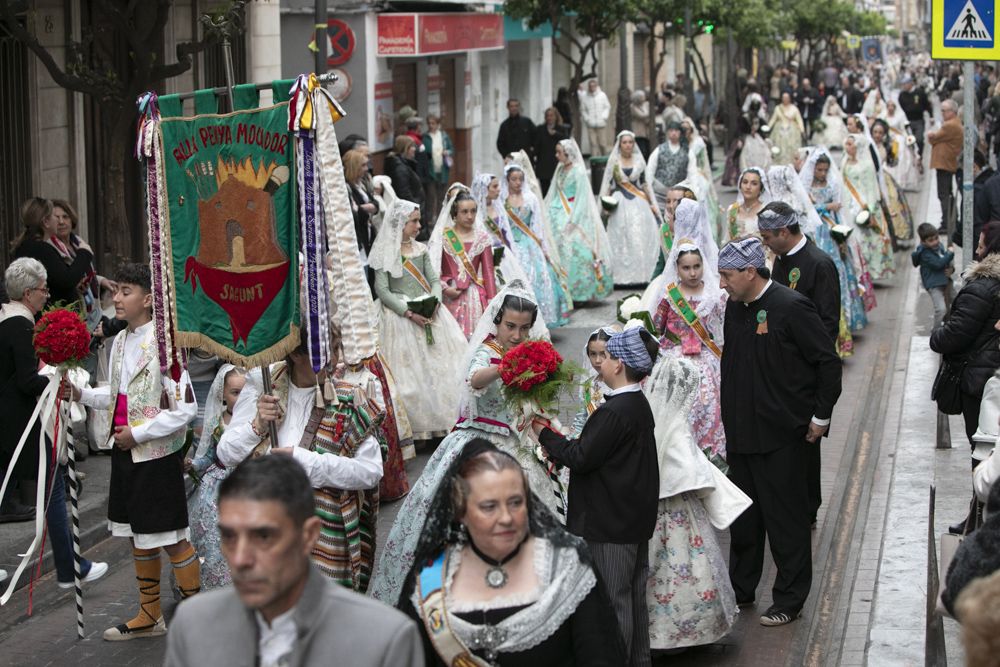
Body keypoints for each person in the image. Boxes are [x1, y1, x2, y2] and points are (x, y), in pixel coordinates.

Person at [370, 284, 557, 604]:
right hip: (477, 441)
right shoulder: (487, 351)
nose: (516, 334)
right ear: (496, 322)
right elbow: (475, 378)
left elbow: (533, 405)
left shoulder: (530, 351)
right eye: (510, 326)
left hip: (515, 443)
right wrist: (505, 368)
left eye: (524, 328)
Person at [165, 455, 423, 667]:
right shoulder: (193, 624)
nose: (241, 558)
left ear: (309, 535)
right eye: (229, 536)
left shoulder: (384, 639)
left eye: (264, 536)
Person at [397, 439, 624, 666]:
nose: (506, 518)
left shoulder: (565, 567)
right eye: (489, 506)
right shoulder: (431, 580)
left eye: (516, 502)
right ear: (461, 511)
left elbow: (600, 655)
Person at [70, 263, 199, 641]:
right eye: (116, 291)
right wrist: (82, 394)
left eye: (125, 291)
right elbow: (115, 396)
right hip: (125, 454)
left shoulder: (166, 344)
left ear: (147, 299)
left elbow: (186, 409)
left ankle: (197, 618)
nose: (116, 298)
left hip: (155, 455)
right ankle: (150, 614)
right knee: (135, 534)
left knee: (171, 536)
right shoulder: (121, 340)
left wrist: (139, 433)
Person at [718, 237, 842, 627]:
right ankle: (741, 591)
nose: (721, 284)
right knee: (745, 521)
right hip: (741, 435)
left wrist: (820, 417)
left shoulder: (792, 307)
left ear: (751, 272)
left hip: (782, 437)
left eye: (727, 276)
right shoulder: (734, 307)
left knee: (785, 522)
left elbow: (827, 363)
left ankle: (789, 599)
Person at [217, 322, 386, 590]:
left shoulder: (350, 399)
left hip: (325, 541)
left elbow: (371, 472)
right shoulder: (264, 387)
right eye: (321, 352)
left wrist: (304, 462)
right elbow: (226, 454)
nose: (332, 360)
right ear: (295, 354)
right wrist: (257, 426)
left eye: (335, 349)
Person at [532, 326, 660, 667]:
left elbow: (581, 457)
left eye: (607, 357)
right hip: (632, 518)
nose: (599, 362)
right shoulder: (635, 404)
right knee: (632, 597)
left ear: (619, 365)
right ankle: (638, 659)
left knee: (612, 601)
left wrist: (543, 434)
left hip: (610, 522)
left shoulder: (615, 411)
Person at [0, 258, 109, 586]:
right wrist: (59, 381)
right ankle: (69, 568)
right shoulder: (19, 326)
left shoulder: (7, 319)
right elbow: (26, 380)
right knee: (54, 489)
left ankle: (69, 566)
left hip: (13, 422)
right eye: (45, 289)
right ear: (29, 292)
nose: (48, 295)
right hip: (21, 423)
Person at [644, 354, 743, 650]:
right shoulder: (677, 427)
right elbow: (690, 471)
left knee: (658, 570)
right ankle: (690, 633)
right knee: (689, 567)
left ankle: (657, 632)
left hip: (655, 514)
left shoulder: (654, 419)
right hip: (680, 512)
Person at [757, 202, 842, 525]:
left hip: (803, 376)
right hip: (778, 375)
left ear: (783, 232)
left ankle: (807, 510)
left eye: (767, 236)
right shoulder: (779, 260)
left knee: (805, 450)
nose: (764, 242)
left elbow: (827, 325)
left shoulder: (819, 264)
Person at [368, 199, 467, 441]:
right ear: (400, 223)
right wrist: (409, 313)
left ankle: (443, 422)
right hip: (398, 316)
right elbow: (382, 290)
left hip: (427, 309)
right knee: (409, 375)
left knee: (440, 369)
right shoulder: (384, 252)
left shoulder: (420, 250)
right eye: (414, 221)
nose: (419, 225)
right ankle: (415, 428)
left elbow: (433, 280)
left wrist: (434, 302)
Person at [646, 199, 727, 470]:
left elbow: (720, 329)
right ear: (677, 268)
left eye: (696, 266)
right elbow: (656, 329)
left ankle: (711, 457)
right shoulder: (669, 294)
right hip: (674, 361)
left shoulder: (714, 294)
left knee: (709, 407)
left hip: (706, 361)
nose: (692, 272)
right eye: (686, 268)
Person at [930, 220, 1000, 531]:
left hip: (980, 385)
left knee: (982, 453)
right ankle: (978, 516)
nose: (976, 249)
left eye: (982, 244)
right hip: (989, 378)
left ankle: (981, 522)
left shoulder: (983, 287)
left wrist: (938, 334)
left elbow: (954, 335)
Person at [798, 148, 871, 345]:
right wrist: (825, 207)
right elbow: (805, 209)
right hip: (814, 232)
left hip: (830, 232)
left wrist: (842, 239)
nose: (822, 173)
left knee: (837, 271)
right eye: (819, 170)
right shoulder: (805, 186)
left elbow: (838, 211)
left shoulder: (832, 185)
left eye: (824, 170)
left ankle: (846, 319)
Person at [186, 364, 247, 589]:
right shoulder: (217, 423)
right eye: (234, 392)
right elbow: (209, 456)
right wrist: (192, 464)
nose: (240, 398)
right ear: (222, 394)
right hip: (216, 488)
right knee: (215, 539)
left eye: (244, 392)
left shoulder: (254, 423)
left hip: (246, 486)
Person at [502, 164, 572, 327]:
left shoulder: (530, 198)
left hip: (529, 243)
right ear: (507, 180)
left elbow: (537, 225)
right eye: (514, 179)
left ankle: (540, 320)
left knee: (539, 277)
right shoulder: (502, 199)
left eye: (520, 179)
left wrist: (543, 248)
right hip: (511, 244)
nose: (517, 182)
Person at [546, 138, 615, 301]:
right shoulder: (560, 170)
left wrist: (573, 219)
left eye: (559, 152)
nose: (556, 156)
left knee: (578, 249)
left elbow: (582, 197)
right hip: (557, 211)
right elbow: (555, 192)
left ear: (567, 153)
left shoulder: (578, 171)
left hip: (574, 213)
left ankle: (580, 291)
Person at [599, 130, 662, 286]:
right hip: (619, 201)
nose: (627, 145)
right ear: (620, 145)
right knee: (619, 235)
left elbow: (645, 184)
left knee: (639, 235)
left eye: (630, 142)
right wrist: (604, 204)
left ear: (633, 144)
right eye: (624, 142)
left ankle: (642, 275)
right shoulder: (614, 162)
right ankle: (619, 277)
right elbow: (608, 185)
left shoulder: (640, 161)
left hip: (639, 201)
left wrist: (652, 203)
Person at [11, 197, 95, 310]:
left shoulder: (26, 246)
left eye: (65, 217)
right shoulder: (41, 249)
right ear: (46, 222)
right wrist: (84, 253)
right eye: (55, 216)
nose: (59, 221)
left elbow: (56, 281)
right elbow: (66, 281)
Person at [433, 191, 498, 338]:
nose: (470, 216)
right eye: (464, 212)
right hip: (450, 294)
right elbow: (434, 268)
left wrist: (492, 301)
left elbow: (488, 272)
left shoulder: (482, 237)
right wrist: (444, 288)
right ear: (454, 214)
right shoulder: (444, 237)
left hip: (474, 295)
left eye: (473, 211)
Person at [51, 198, 116, 334]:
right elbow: (64, 278)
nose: (62, 222)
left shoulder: (79, 244)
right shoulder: (51, 249)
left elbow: (83, 273)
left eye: (65, 217)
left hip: (91, 310)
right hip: (71, 314)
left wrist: (101, 280)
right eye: (56, 218)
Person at [841, 134, 894, 281]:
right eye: (847, 144)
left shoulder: (867, 164)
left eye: (850, 144)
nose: (847, 147)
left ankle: (872, 272)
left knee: (868, 239)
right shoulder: (844, 161)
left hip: (864, 205)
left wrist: (868, 208)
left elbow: (871, 187)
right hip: (849, 204)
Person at [869, 119, 915, 246]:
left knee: (893, 203)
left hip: (884, 179)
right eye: (875, 132)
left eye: (880, 132)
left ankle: (894, 238)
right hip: (870, 180)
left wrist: (892, 152)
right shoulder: (868, 146)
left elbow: (892, 162)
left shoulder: (886, 146)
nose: (877, 135)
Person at [344, 149, 379, 289]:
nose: (366, 169)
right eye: (363, 165)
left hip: (369, 235)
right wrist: (366, 208)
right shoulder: (347, 187)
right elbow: (354, 213)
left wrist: (367, 207)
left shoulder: (362, 183)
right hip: (360, 238)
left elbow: (374, 203)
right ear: (355, 167)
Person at [927, 99, 964, 232]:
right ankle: (951, 219)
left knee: (943, 194)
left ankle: (947, 222)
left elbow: (933, 138)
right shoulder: (954, 123)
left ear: (952, 112)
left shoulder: (949, 125)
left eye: (944, 110)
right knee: (947, 193)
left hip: (944, 163)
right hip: (946, 162)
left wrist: (932, 136)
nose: (941, 113)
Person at [647, 121, 697, 215]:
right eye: (671, 130)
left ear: (680, 133)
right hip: (660, 194)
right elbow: (650, 171)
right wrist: (649, 194)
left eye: (676, 131)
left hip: (679, 195)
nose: (674, 133)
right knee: (660, 222)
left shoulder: (687, 152)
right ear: (668, 133)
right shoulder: (659, 150)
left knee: (677, 221)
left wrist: (693, 192)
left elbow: (692, 174)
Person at [912, 223, 955, 328]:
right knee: (941, 309)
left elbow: (945, 262)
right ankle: (936, 331)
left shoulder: (939, 246)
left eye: (936, 238)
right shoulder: (924, 253)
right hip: (934, 285)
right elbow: (938, 264)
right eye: (931, 240)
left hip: (945, 281)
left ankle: (949, 323)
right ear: (923, 242)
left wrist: (951, 269)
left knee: (956, 301)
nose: (935, 242)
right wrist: (950, 253)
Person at [384, 136, 426, 228]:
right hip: (410, 215)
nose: (414, 149)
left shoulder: (404, 164)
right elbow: (404, 193)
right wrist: (416, 208)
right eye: (412, 146)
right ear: (405, 148)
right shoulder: (400, 168)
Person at [423, 114, 454, 225]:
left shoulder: (444, 136)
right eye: (429, 123)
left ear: (438, 124)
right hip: (431, 171)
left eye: (433, 123)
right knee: (430, 196)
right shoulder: (425, 137)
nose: (431, 125)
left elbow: (451, 149)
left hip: (443, 170)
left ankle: (441, 220)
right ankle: (430, 220)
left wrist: (447, 152)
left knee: (442, 196)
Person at [532, 107, 568, 196]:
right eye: (547, 116)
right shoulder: (540, 129)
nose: (549, 118)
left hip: (556, 162)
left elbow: (566, 141)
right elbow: (536, 145)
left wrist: (556, 134)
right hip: (543, 163)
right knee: (545, 190)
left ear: (556, 117)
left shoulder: (561, 129)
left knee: (558, 188)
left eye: (551, 116)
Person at [727, 167, 770, 240]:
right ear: (740, 185)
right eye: (745, 182)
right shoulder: (732, 209)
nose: (748, 187)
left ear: (761, 188)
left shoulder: (766, 212)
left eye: (754, 183)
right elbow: (728, 238)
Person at [768, 91, 805, 165]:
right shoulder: (778, 108)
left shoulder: (794, 108)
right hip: (779, 130)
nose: (785, 99)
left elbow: (799, 119)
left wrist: (802, 130)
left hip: (792, 130)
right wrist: (768, 128)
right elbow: (773, 119)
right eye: (783, 98)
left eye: (786, 98)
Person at [898, 76, 931, 157]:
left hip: (918, 120)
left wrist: (931, 116)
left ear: (910, 84)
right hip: (907, 121)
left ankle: (920, 156)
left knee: (919, 140)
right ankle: (913, 157)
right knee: (909, 141)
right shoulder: (902, 95)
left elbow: (927, 104)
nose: (904, 86)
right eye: (903, 85)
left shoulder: (920, 92)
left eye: (905, 84)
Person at [579, 77, 611, 156]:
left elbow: (607, 106)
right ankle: (594, 161)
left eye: (593, 86)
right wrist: (587, 119)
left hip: (601, 123)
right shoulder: (585, 97)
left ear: (596, 86)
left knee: (602, 143)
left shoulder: (602, 95)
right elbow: (583, 110)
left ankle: (604, 159)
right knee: (593, 144)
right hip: (591, 124)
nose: (592, 88)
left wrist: (604, 117)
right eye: (590, 86)